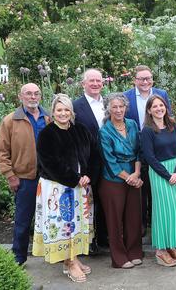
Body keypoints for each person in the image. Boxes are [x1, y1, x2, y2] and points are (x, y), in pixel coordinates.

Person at [33, 94, 101, 283]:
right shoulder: (48, 134)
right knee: (64, 226)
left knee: (76, 225)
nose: (63, 113)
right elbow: (49, 163)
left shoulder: (80, 129)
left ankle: (73, 258)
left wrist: (88, 175)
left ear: (72, 111)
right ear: (53, 112)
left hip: (81, 187)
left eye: (66, 109)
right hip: (58, 188)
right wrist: (74, 179)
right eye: (59, 110)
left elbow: (94, 153)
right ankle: (69, 262)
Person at [0, 83, 50, 265]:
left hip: (49, 179)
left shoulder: (49, 117)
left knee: (50, 219)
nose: (33, 97)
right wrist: (10, 176)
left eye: (36, 94)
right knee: (22, 221)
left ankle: (53, 255)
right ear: (21, 97)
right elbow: (1, 152)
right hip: (25, 179)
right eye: (28, 94)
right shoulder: (11, 120)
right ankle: (18, 258)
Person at [123, 65, 172, 234]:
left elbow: (167, 118)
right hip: (137, 146)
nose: (145, 82)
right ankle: (142, 223)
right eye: (141, 79)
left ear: (152, 79)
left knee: (156, 186)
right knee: (141, 186)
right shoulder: (126, 97)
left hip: (159, 146)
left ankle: (155, 220)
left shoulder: (161, 94)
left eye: (148, 78)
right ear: (135, 80)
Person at [142, 95, 176, 267]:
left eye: (161, 105)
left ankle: (171, 246)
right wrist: (167, 175)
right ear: (149, 110)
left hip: (175, 172)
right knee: (164, 211)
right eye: (154, 106)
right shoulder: (147, 130)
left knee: (175, 211)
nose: (159, 109)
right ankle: (160, 251)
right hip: (159, 173)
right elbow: (149, 158)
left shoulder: (171, 126)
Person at [98, 94, 143, 269]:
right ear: (108, 109)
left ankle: (134, 252)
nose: (118, 110)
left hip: (134, 172)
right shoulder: (105, 131)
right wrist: (130, 178)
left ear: (126, 107)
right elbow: (110, 162)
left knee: (133, 216)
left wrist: (137, 173)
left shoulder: (132, 124)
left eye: (121, 106)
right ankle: (119, 257)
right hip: (113, 179)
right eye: (114, 107)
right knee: (115, 220)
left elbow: (139, 150)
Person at [72, 69, 106, 253]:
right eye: (91, 81)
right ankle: (89, 241)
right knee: (88, 201)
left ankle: (103, 237)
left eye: (98, 81)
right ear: (83, 83)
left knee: (104, 199)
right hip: (87, 161)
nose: (95, 84)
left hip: (108, 160)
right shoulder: (76, 106)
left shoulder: (107, 103)